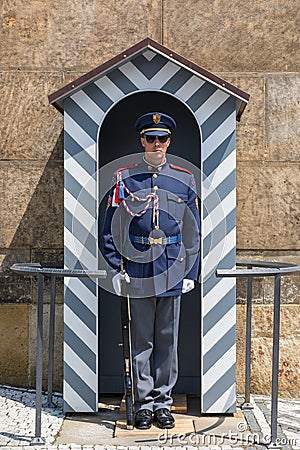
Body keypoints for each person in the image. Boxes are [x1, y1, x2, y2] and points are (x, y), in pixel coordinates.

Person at [102, 112, 200, 430]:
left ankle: (163, 403)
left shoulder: (185, 178)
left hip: (173, 268)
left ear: (169, 141)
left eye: (162, 138)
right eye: (150, 138)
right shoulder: (124, 177)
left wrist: (191, 271)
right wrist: (116, 265)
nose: (156, 144)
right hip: (139, 270)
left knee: (167, 340)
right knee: (141, 340)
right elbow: (111, 228)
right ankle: (143, 404)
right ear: (141, 141)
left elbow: (192, 231)